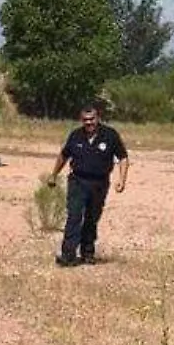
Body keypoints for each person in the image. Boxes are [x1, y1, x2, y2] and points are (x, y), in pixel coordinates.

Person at [47, 104, 129, 266]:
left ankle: (87, 253)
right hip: (78, 181)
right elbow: (63, 156)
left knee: (92, 218)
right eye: (85, 120)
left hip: (99, 183)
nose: (89, 123)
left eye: (91, 119)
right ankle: (68, 256)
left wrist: (122, 180)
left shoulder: (110, 135)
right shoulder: (76, 136)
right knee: (74, 216)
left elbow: (123, 158)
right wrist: (54, 174)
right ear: (81, 120)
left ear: (98, 118)